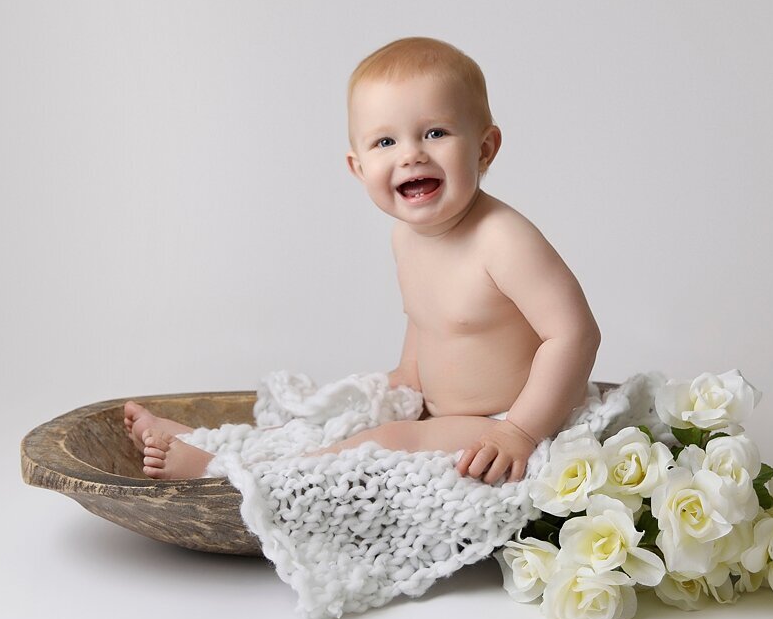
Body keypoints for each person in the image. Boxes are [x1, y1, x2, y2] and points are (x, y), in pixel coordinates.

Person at [124, 37, 600, 483]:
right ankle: (214, 441)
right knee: (337, 420)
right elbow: (427, 319)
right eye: (385, 142)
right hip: (444, 413)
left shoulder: (503, 240)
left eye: (435, 133)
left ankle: (229, 474)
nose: (411, 155)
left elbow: (574, 334)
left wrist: (520, 430)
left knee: (384, 441)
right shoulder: (406, 236)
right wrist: (401, 380)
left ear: (484, 148)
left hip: (506, 420)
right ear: (359, 167)